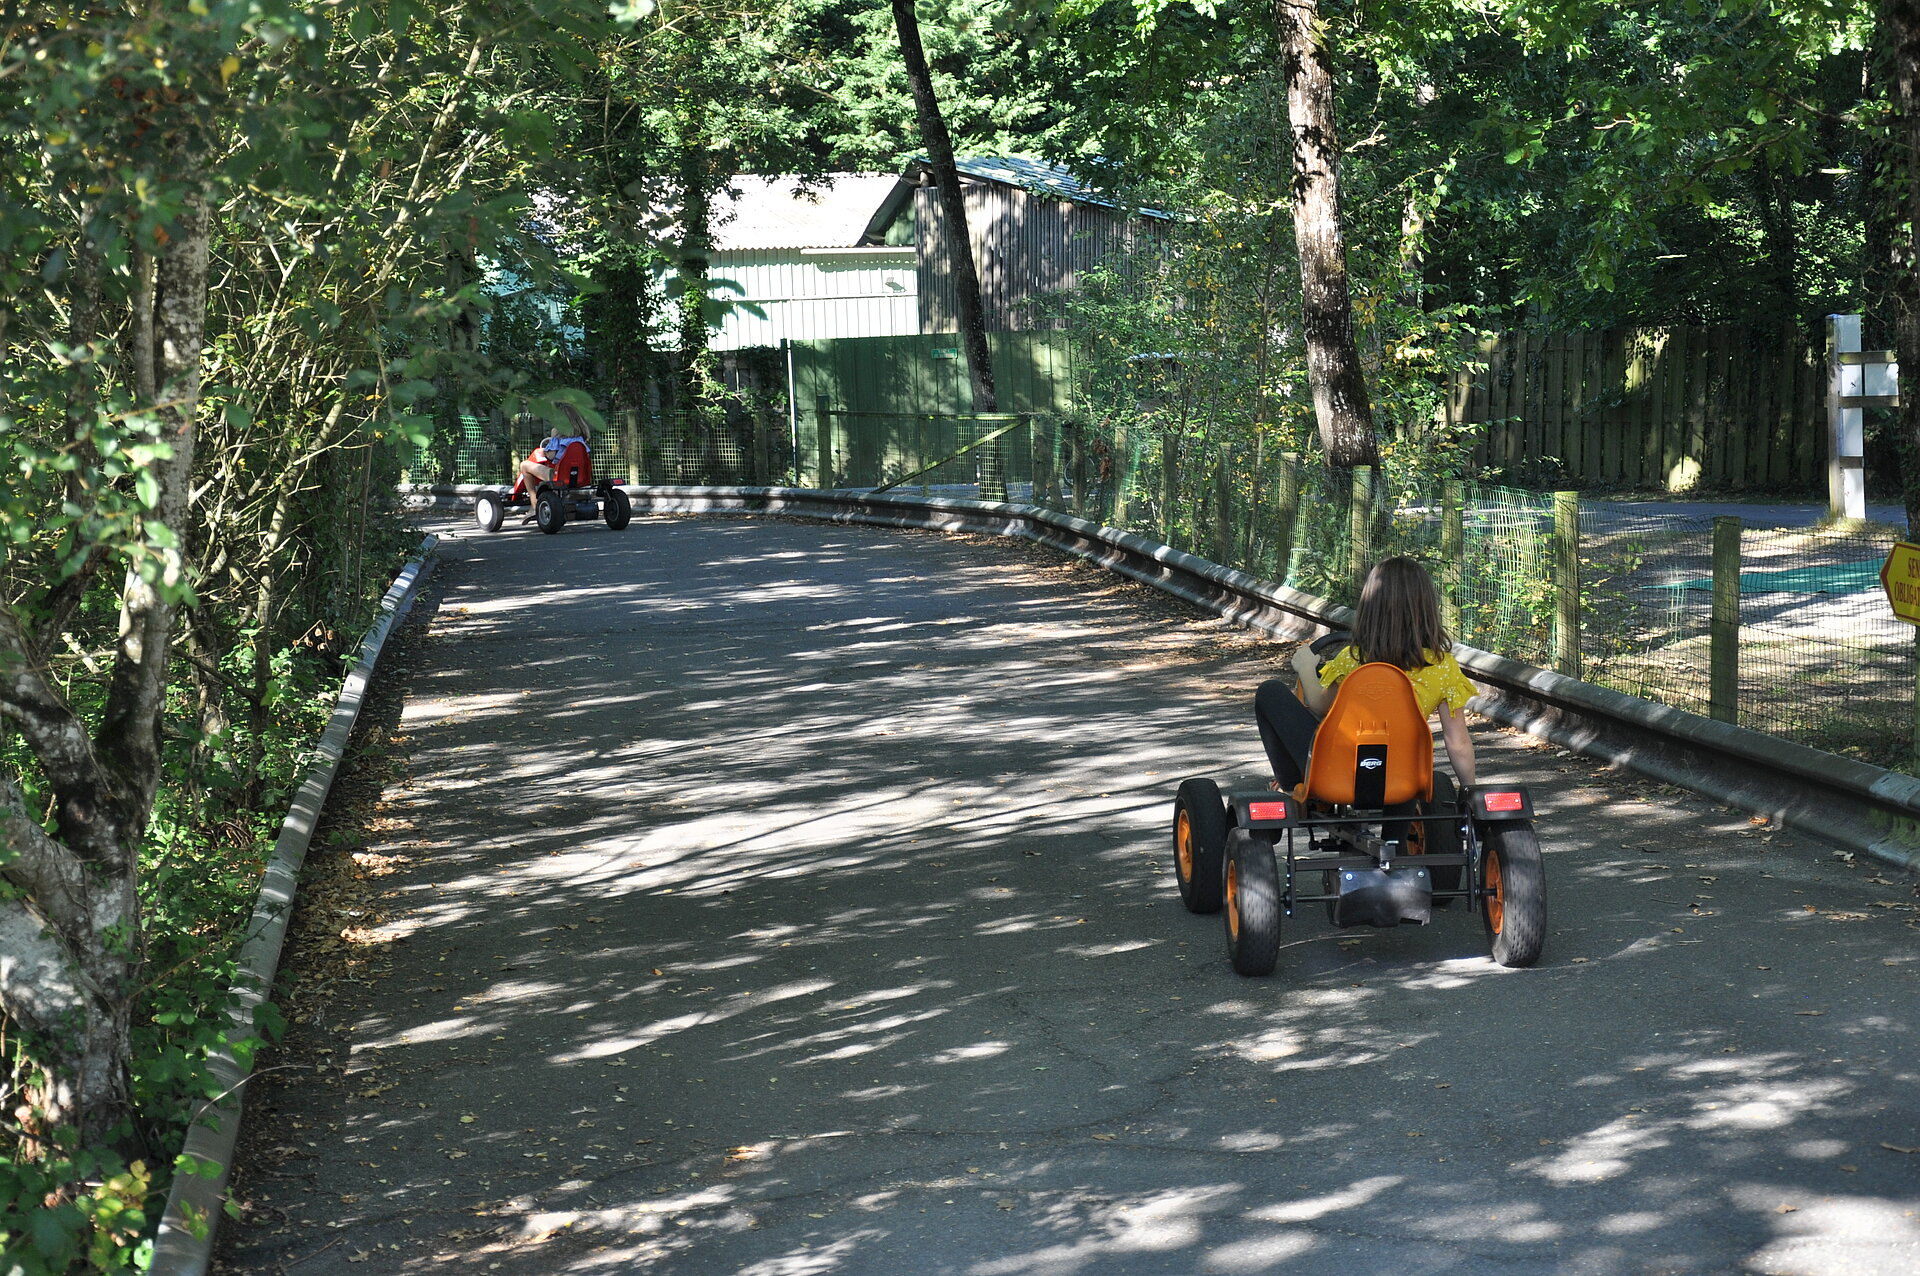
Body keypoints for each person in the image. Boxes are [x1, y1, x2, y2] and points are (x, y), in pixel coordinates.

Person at [1255, 555, 1477, 795]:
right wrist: (1470, 792)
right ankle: (1396, 831)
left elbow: (1320, 707)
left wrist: (1307, 669)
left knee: (1270, 692)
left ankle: (1290, 786)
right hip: (1404, 776)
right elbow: (1457, 742)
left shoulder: (1353, 660)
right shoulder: (1443, 667)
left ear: (1371, 608)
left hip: (1339, 772)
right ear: (1427, 608)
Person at [518, 408, 592, 521]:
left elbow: (551, 456)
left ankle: (534, 505)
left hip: (560, 476)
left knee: (524, 465)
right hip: (581, 476)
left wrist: (546, 449)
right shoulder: (581, 438)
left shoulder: (558, 433)